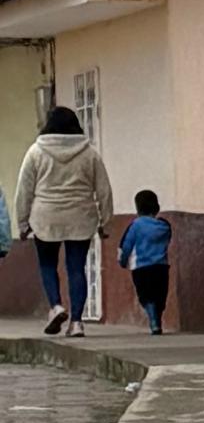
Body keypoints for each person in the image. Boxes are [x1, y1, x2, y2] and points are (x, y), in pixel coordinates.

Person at [15, 105, 112, 337]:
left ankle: (56, 306)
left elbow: (24, 190)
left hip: (45, 218)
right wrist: (105, 222)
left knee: (48, 265)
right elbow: (104, 190)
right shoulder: (89, 153)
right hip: (80, 217)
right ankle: (77, 322)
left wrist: (22, 223)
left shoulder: (36, 152)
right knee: (76, 268)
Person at [119, 189, 171, 335]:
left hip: (141, 268)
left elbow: (126, 246)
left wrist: (123, 261)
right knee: (160, 296)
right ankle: (157, 320)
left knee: (146, 296)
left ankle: (152, 318)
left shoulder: (135, 226)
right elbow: (168, 240)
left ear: (137, 209)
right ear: (157, 208)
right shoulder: (164, 226)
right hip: (161, 267)